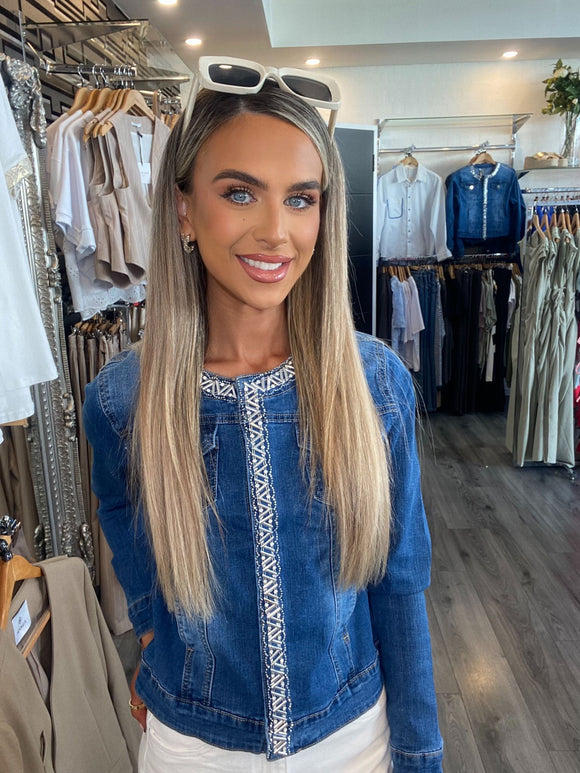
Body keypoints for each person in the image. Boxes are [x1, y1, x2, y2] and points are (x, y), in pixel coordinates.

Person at [83, 56, 443, 773]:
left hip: (352, 740)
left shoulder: (374, 384)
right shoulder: (124, 398)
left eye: (301, 198)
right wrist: (154, 631)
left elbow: (399, 585)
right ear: (184, 210)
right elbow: (124, 519)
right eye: (241, 193)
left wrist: (419, 752)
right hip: (192, 748)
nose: (277, 230)